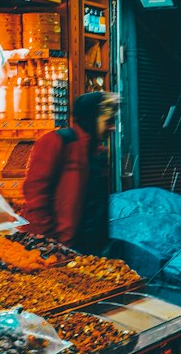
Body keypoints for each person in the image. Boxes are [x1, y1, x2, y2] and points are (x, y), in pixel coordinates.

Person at [22, 91, 118, 254]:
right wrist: (49, 245)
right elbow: (37, 197)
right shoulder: (58, 142)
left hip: (90, 247)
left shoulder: (99, 153)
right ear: (91, 119)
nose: (112, 127)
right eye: (108, 121)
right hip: (59, 246)